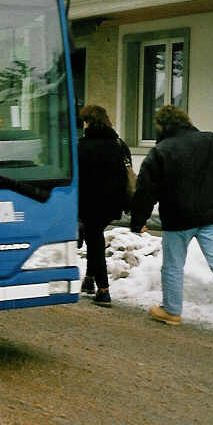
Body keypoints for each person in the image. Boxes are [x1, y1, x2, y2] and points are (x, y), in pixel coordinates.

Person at [129, 105, 213, 336]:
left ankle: (171, 311)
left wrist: (138, 219)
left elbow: (145, 190)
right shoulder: (212, 141)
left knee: (173, 266)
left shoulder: (160, 151)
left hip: (177, 219)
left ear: (161, 126)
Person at [77, 104, 130, 307]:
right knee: (94, 236)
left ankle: (103, 289)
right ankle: (89, 279)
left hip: (90, 202)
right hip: (113, 202)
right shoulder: (119, 144)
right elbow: (127, 174)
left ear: (88, 122)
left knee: (95, 240)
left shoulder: (82, 146)